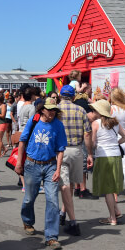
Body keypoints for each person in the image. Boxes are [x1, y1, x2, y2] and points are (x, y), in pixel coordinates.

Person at [16, 97, 67, 249]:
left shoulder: (58, 125)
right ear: (42, 109)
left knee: (53, 200)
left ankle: (51, 236)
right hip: (32, 165)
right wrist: (19, 162)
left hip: (51, 165)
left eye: (54, 110)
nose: (51, 112)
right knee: (29, 198)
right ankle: (27, 220)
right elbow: (22, 141)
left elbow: (60, 149)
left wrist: (58, 169)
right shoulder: (34, 120)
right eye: (49, 109)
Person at [87, 99, 125, 225]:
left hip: (104, 157)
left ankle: (112, 218)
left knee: (107, 189)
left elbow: (93, 143)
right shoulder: (115, 122)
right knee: (110, 186)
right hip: (115, 156)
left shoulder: (96, 124)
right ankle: (116, 211)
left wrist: (90, 148)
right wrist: (116, 143)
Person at [56, 85, 87, 236]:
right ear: (74, 97)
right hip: (77, 150)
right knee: (72, 184)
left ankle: (73, 221)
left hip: (61, 151)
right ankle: (63, 213)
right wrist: (91, 154)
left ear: (60, 96)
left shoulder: (55, 110)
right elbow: (87, 134)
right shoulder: (81, 110)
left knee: (64, 185)